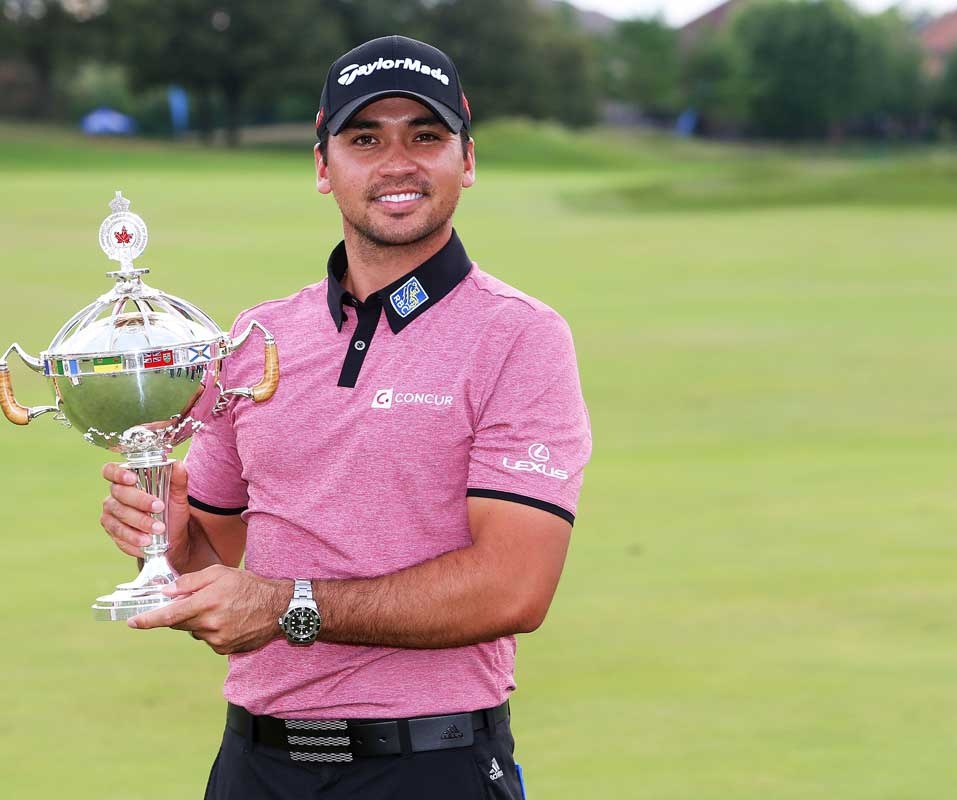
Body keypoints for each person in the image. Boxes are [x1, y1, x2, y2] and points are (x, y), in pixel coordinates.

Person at [99, 35, 592, 800]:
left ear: (466, 160)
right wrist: (167, 537)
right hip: (253, 765)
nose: (397, 163)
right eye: (364, 139)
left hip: (431, 766)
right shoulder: (257, 338)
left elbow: (514, 588)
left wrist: (288, 607)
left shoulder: (518, 336)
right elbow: (221, 577)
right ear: (324, 167)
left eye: (424, 137)